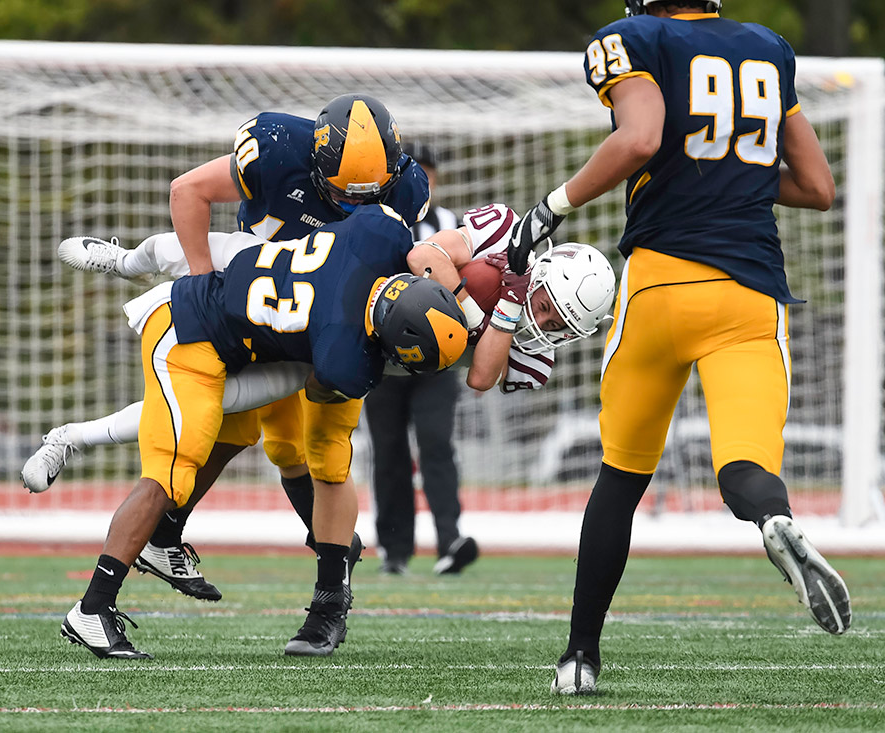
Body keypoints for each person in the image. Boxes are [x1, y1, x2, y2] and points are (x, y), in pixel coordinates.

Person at [507, 0, 851, 696]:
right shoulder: (766, 47)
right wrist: (739, 181)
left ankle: (580, 657)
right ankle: (775, 521)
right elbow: (817, 187)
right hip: (749, 293)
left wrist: (550, 207)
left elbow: (640, 139)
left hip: (660, 285)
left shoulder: (635, 37)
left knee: (621, 477)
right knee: (745, 469)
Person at [24, 93, 430, 603]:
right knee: (213, 420)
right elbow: (187, 195)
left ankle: (112, 476)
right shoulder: (278, 151)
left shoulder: (405, 191)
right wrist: (203, 288)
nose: (351, 208)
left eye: (364, 199)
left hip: (311, 324)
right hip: (254, 297)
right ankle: (121, 264)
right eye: (341, 195)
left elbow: (404, 263)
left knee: (265, 437)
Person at [60, 203, 469, 661]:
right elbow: (320, 385)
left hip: (238, 314)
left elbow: (396, 242)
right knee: (171, 472)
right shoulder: (344, 356)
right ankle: (91, 608)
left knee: (246, 437)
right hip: (187, 334)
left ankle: (168, 540)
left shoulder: (378, 232)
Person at [365, 142, 475, 576]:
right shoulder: (374, 223)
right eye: (416, 173)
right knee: (388, 450)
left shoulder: (451, 226)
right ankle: (394, 548)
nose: (422, 182)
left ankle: (450, 539)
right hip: (385, 356)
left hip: (439, 360)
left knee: (436, 443)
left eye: (428, 172)